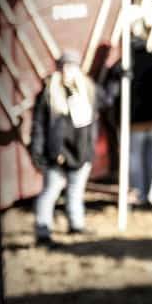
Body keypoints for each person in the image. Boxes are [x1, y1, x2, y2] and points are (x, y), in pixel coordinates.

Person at [29, 51, 100, 247]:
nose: (68, 71)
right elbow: (39, 126)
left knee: (76, 192)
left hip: (81, 152)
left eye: (71, 67)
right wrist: (38, 153)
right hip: (57, 155)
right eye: (64, 67)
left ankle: (76, 225)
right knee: (50, 191)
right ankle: (43, 231)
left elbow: (98, 113)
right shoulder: (49, 93)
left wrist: (118, 79)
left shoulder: (87, 90)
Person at [105, 37, 152, 207]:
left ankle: (138, 194)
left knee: (134, 160)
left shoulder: (121, 66)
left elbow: (110, 95)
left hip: (132, 123)